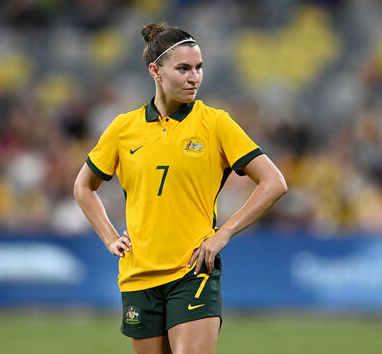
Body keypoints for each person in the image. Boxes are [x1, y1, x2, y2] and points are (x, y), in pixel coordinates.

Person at [73, 22, 287, 354]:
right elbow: (84, 187)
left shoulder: (215, 123)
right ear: (155, 71)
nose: (194, 77)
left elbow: (274, 183)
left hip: (193, 272)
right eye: (184, 68)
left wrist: (223, 234)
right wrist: (110, 236)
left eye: (199, 68)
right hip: (138, 275)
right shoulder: (123, 128)